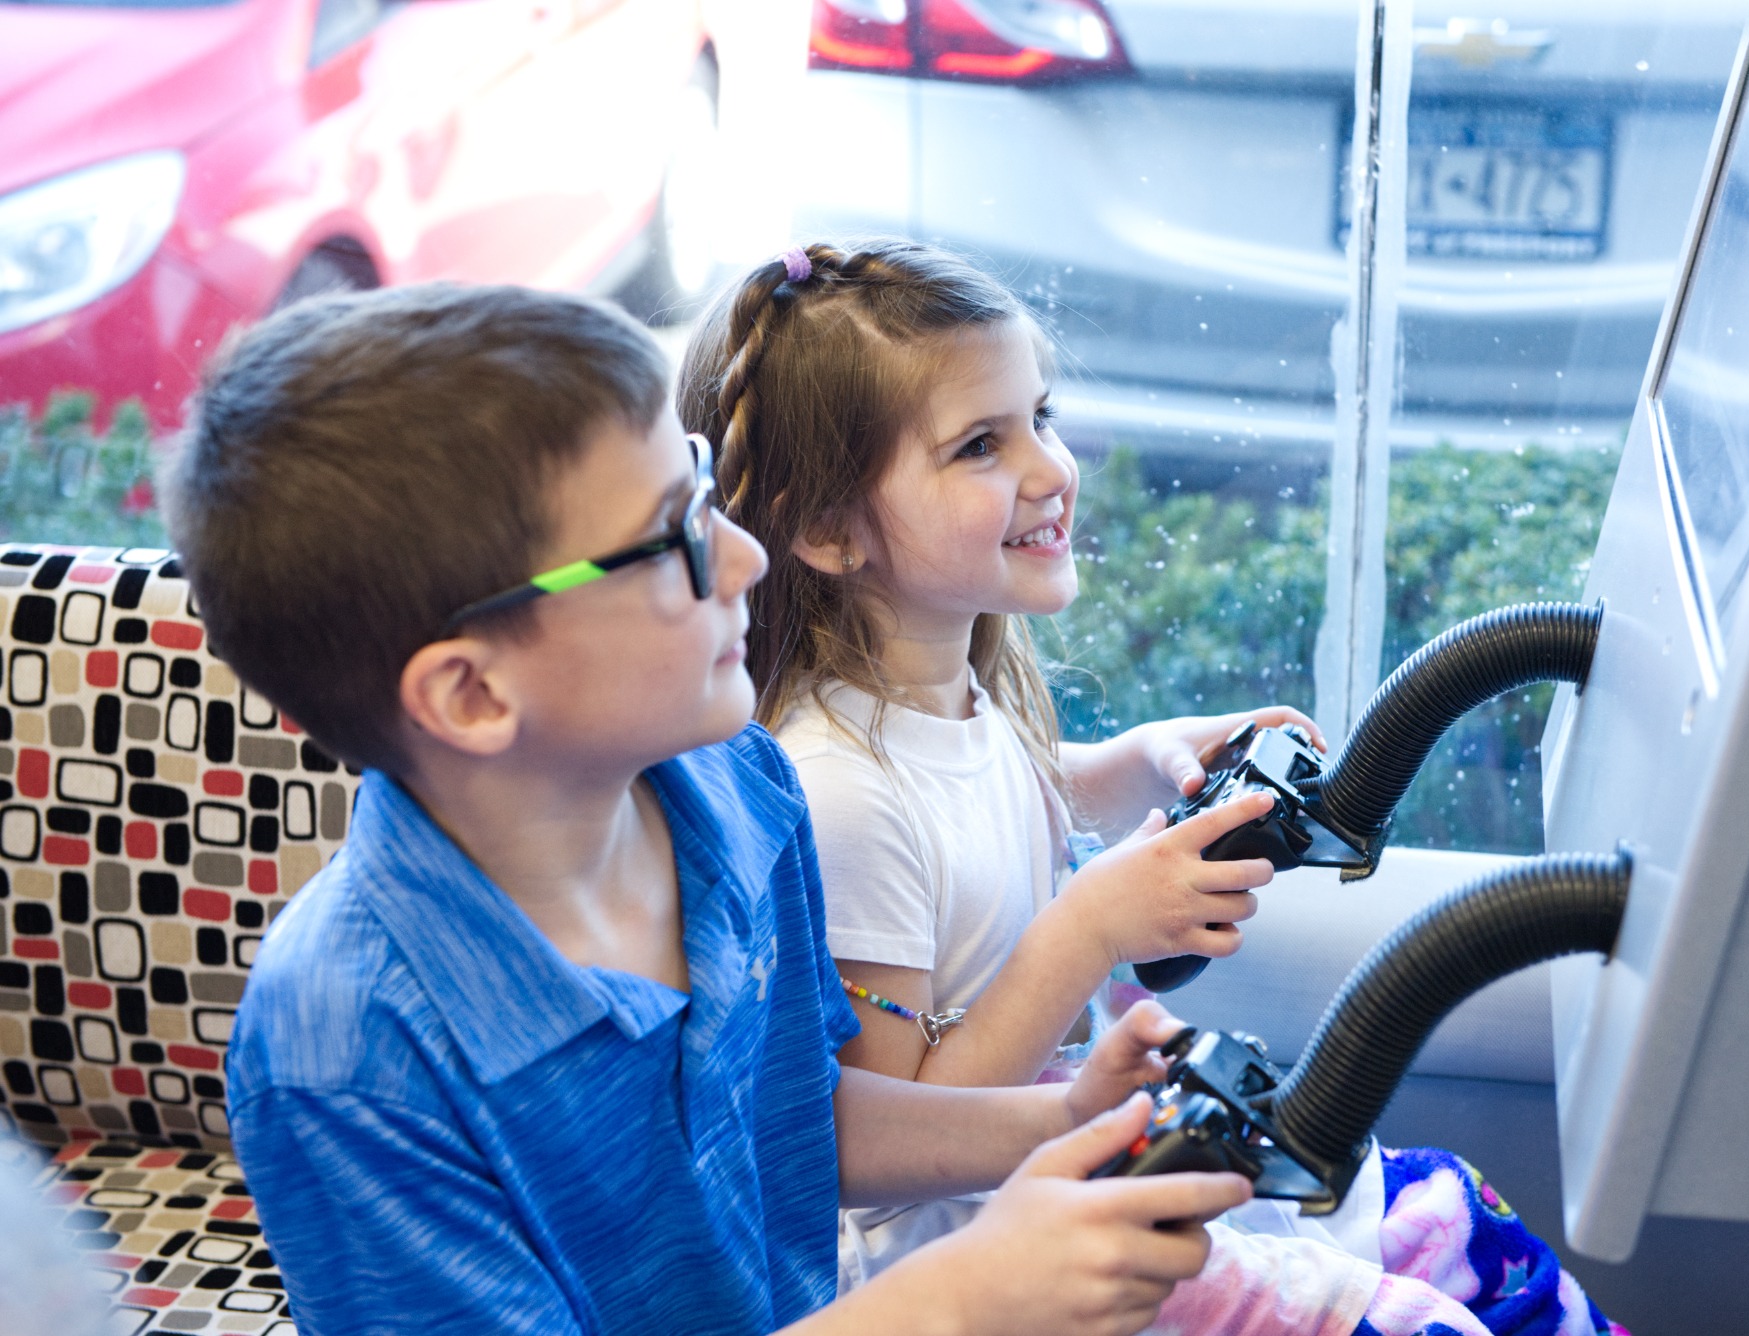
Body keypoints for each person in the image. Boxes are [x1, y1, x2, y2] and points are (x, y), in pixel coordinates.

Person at [169, 282, 1257, 1336]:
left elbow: (795, 1122)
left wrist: (1058, 1120)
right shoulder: (349, 1054)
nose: (741, 553)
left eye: (699, 485)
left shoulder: (736, 791)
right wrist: (956, 1301)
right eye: (669, 536)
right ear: (472, 693)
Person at [683, 239, 1628, 1336]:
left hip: (1068, 1159)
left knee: (1444, 1212)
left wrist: (1134, 761)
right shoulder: (837, 795)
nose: (1047, 469)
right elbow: (890, 1138)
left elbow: (998, 802)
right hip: (989, 1246)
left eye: (1040, 416)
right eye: (980, 445)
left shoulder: (949, 692)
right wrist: (1089, 926)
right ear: (828, 529)